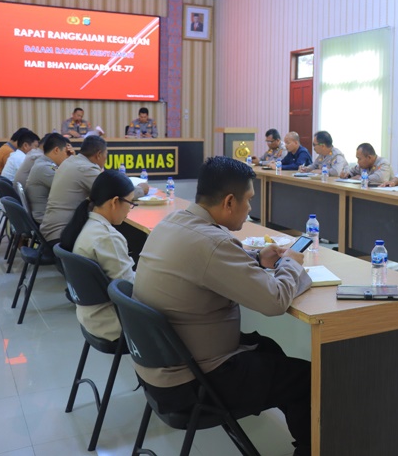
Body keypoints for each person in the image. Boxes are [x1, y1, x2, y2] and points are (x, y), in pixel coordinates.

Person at [133, 156, 311, 455]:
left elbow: (203, 267)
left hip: (160, 370)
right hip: (193, 383)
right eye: (249, 200)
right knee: (308, 379)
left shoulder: (172, 223)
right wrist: (291, 262)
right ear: (229, 201)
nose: (250, 208)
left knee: (268, 349)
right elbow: (275, 301)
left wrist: (256, 260)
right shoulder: (213, 242)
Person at [59, 170, 136, 340]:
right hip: (113, 323)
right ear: (115, 202)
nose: (130, 210)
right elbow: (128, 290)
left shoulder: (85, 224)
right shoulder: (107, 237)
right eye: (131, 203)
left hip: (90, 318)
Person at [41, 136, 148, 244]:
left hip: (54, 229)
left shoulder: (71, 161)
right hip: (61, 235)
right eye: (106, 155)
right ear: (99, 154)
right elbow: (119, 192)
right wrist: (142, 189)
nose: (106, 159)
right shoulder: (85, 169)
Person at [26, 133, 72, 223]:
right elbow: (69, 187)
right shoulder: (44, 168)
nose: (66, 156)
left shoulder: (44, 163)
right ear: (56, 150)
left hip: (48, 214)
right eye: (65, 152)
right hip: (46, 219)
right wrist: (72, 160)